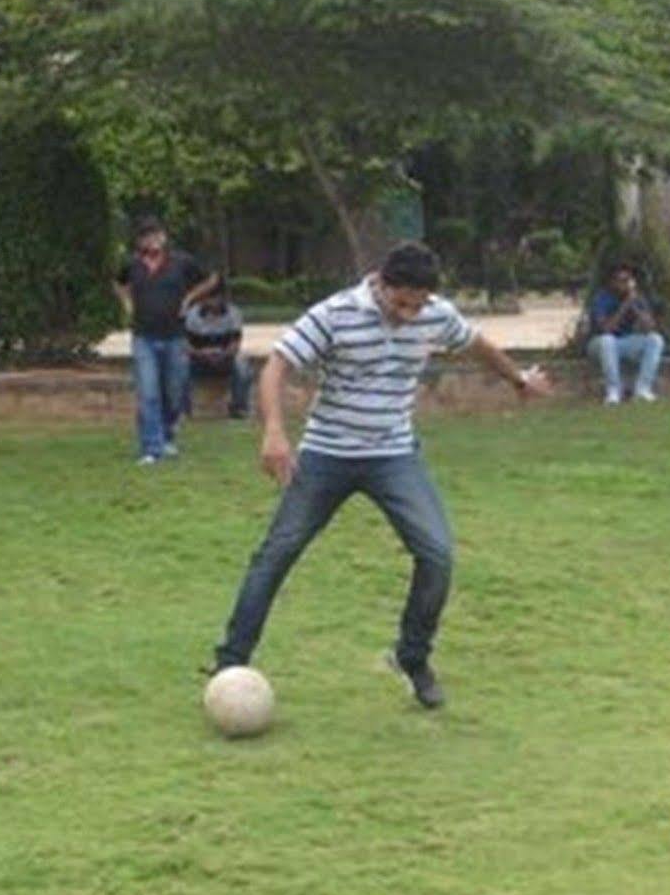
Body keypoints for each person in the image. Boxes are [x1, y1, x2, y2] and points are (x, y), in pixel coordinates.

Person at [211, 240, 551, 709]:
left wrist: (518, 381)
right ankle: (231, 661)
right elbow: (276, 366)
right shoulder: (335, 313)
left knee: (437, 554)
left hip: (393, 454)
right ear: (381, 284)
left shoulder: (433, 313)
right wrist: (273, 431)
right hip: (326, 455)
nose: (408, 315)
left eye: (418, 306)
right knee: (278, 552)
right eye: (400, 303)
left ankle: (412, 657)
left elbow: (477, 344)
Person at [115, 216, 219, 464]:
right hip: (144, 337)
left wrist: (188, 299)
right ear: (139, 241)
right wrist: (127, 303)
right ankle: (152, 447)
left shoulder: (180, 262)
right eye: (146, 236)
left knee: (174, 390)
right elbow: (119, 283)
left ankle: (167, 434)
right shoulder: (133, 265)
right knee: (148, 391)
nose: (153, 240)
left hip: (174, 336)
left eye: (156, 234)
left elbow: (210, 279)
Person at [585, 261, 665, 404]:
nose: (625, 284)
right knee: (608, 341)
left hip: (624, 342)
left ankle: (643, 389)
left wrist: (636, 307)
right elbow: (606, 329)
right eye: (621, 281)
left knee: (655, 340)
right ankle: (613, 391)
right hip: (599, 344)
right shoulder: (602, 298)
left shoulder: (636, 298)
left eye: (628, 280)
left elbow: (650, 327)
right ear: (612, 282)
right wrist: (625, 305)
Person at [181, 279, 254, 421]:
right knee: (180, 366)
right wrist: (201, 354)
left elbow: (235, 344)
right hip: (198, 359)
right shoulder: (193, 315)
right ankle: (183, 410)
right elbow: (186, 345)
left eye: (216, 297)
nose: (212, 302)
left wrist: (222, 355)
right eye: (209, 298)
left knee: (242, 366)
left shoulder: (233, 314)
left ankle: (239, 409)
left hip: (225, 359)